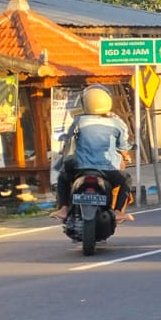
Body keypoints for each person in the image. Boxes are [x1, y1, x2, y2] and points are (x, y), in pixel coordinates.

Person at [52, 85, 132, 221]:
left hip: (81, 169)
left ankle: (63, 209)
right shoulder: (117, 123)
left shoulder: (79, 121)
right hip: (108, 170)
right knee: (126, 180)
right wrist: (125, 155)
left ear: (85, 103)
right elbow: (123, 146)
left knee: (62, 178)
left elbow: (69, 138)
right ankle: (118, 212)